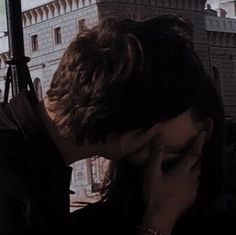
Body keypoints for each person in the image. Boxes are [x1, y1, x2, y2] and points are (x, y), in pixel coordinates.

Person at [0, 16, 223, 235]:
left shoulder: (28, 170)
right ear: (127, 137)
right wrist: (156, 224)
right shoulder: (20, 203)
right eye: (155, 144)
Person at [68, 16, 228, 235]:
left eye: (171, 106)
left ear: (206, 126)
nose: (149, 124)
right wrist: (157, 224)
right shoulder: (85, 226)